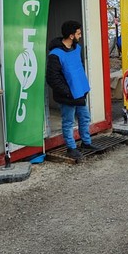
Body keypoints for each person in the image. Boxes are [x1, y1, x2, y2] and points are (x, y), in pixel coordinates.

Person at [46, 20, 96, 161]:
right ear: (71, 35)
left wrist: (82, 88)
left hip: (79, 92)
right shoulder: (55, 54)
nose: (80, 35)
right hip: (68, 95)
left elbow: (77, 70)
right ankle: (71, 148)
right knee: (68, 122)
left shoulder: (77, 48)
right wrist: (67, 92)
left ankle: (86, 143)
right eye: (78, 33)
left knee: (85, 117)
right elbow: (52, 78)